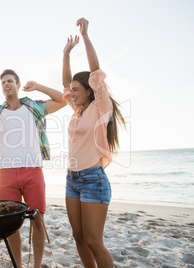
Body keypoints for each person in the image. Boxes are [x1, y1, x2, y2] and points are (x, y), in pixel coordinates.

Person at [0, 57, 67, 268]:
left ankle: (36, 266)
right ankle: (18, 266)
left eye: (10, 81)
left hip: (33, 172)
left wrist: (38, 86)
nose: (6, 84)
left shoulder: (33, 107)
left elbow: (63, 100)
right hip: (7, 174)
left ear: (18, 85)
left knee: (38, 221)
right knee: (12, 225)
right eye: (3, 82)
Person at [62, 18, 126, 267]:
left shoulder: (100, 108)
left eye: (77, 89)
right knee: (78, 237)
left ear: (90, 90)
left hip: (93, 180)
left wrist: (85, 36)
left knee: (94, 241)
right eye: (72, 90)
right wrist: (66, 53)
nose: (72, 92)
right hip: (72, 179)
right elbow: (66, 82)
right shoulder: (76, 112)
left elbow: (95, 70)